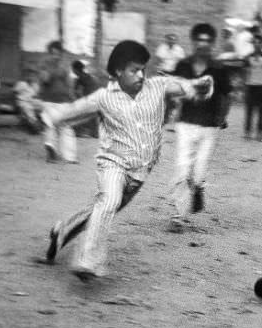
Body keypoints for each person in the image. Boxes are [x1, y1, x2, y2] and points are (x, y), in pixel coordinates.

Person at [40, 40, 213, 281]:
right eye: (134, 70)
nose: (141, 75)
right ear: (118, 71)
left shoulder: (157, 86)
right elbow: (73, 110)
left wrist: (199, 85)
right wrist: (50, 116)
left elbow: (183, 87)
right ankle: (87, 261)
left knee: (101, 210)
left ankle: (61, 232)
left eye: (143, 69)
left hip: (140, 171)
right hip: (112, 163)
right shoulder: (104, 97)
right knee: (108, 201)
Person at [169, 23, 232, 232]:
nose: (203, 44)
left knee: (199, 171)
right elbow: (173, 91)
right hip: (186, 123)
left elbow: (226, 95)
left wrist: (221, 118)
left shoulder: (219, 69)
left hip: (209, 126)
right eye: (199, 40)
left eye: (207, 41)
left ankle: (198, 187)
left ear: (212, 43)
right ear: (193, 41)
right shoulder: (183, 65)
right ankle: (179, 216)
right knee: (182, 167)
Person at [39, 40, 76, 163]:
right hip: (49, 101)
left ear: (61, 53)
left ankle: (70, 157)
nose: (56, 55)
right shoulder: (44, 64)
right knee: (50, 126)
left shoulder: (65, 65)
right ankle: (51, 153)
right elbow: (45, 80)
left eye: (58, 53)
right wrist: (52, 68)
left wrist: (72, 98)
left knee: (66, 127)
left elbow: (69, 83)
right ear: (49, 53)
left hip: (63, 100)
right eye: (53, 53)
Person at [242, 34, 262, 141]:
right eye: (255, 42)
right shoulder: (248, 57)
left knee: (261, 112)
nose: (257, 44)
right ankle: (247, 132)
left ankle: (260, 133)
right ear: (253, 44)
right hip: (251, 87)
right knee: (249, 111)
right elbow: (245, 72)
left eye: (260, 42)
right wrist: (244, 85)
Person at [71, 60, 100, 138]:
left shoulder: (80, 79)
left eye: (73, 69)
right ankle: (95, 133)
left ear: (75, 70)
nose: (72, 71)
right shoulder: (88, 77)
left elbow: (77, 93)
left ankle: (80, 132)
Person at [14, 68, 42, 133]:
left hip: (32, 101)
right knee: (27, 108)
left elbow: (37, 95)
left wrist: (36, 100)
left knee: (43, 104)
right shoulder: (21, 84)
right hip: (22, 101)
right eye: (29, 75)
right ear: (26, 76)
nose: (31, 77)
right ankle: (34, 126)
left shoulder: (35, 85)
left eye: (33, 76)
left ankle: (46, 123)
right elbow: (14, 93)